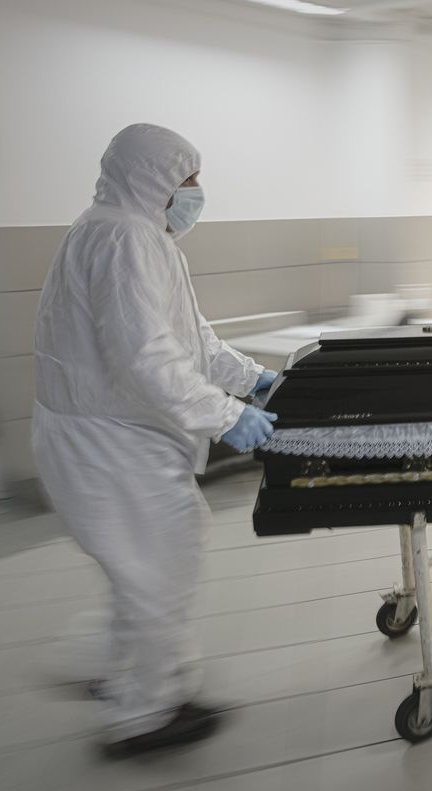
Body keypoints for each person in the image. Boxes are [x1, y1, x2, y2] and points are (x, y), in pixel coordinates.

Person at [32, 124, 279, 757]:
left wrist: (253, 380)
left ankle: (126, 678)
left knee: (148, 564)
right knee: (159, 566)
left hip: (111, 434)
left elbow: (187, 340)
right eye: (187, 181)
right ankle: (144, 715)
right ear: (152, 180)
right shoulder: (123, 238)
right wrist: (227, 417)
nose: (195, 195)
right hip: (107, 441)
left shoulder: (135, 235)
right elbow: (145, 359)